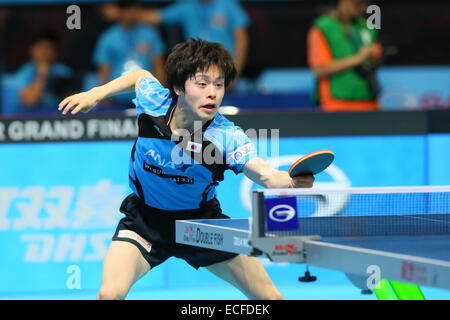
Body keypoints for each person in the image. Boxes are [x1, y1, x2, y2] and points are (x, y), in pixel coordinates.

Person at [59, 39, 314, 300]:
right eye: (202, 84)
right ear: (179, 87)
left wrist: (290, 182)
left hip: (201, 224)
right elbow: (139, 76)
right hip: (145, 222)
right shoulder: (154, 103)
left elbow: (264, 174)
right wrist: (95, 94)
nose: (212, 93)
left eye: (219, 84)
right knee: (109, 295)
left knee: (271, 298)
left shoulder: (227, 138)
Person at [139, 0, 249, 79]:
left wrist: (235, 73)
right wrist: (127, 12)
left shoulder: (228, 4)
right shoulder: (188, 5)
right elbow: (156, 17)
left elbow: (241, 40)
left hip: (223, 67)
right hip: (195, 70)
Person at [307, 0, 382, 112]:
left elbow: (374, 60)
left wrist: (378, 57)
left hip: (370, 103)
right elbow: (319, 70)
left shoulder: (368, 27)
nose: (362, 7)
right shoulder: (323, 27)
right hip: (336, 105)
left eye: (365, 3)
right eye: (357, 3)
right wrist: (358, 59)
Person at [93, 0, 166, 108]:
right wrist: (106, 98)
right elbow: (104, 70)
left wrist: (161, 93)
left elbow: (159, 65)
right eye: (127, 10)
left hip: (148, 97)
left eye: (135, 10)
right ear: (120, 12)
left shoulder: (150, 33)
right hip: (118, 99)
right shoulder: (108, 37)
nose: (131, 14)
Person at [14, 30, 73, 113]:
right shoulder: (25, 72)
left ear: (55, 52)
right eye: (40, 47)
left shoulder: (63, 70)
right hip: (33, 117)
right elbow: (30, 101)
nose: (44, 52)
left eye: (49, 47)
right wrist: (42, 75)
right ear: (31, 50)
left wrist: (62, 89)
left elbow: (73, 104)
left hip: (60, 115)